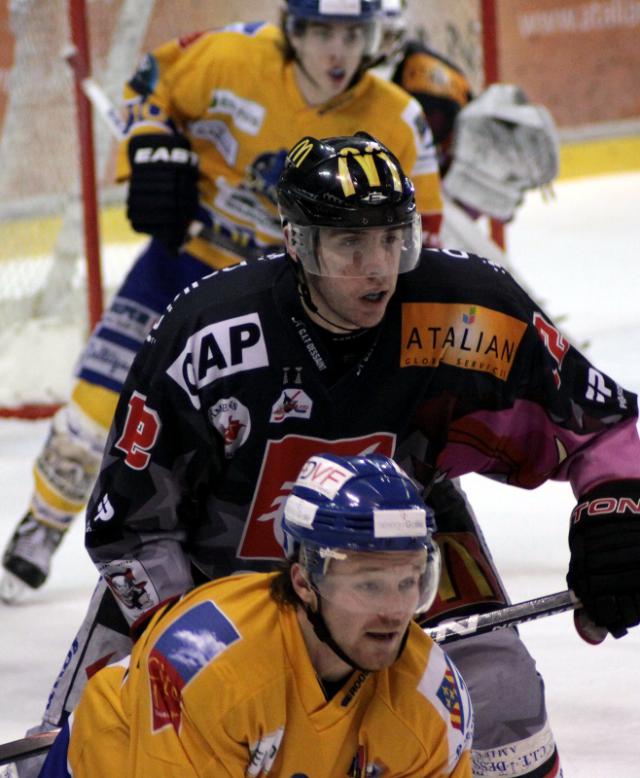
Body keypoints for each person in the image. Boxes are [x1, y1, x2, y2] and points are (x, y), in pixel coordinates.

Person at [31, 132, 640, 778]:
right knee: (82, 747)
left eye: (391, 238)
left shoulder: (463, 312)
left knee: (502, 700)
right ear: (296, 241)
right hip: (220, 575)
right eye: (351, 243)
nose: (378, 266)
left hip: (400, 548)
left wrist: (617, 512)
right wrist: (193, 642)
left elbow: (602, 424)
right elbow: (128, 526)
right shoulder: (208, 335)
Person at [0, 0, 444, 603]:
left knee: (243, 442)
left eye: (350, 33)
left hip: (281, 298)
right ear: (294, 28)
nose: (335, 52)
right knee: (94, 409)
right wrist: (154, 143)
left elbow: (424, 232)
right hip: (179, 268)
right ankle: (42, 524)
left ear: (374, 36)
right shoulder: (229, 57)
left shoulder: (396, 120)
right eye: (320, 32)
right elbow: (147, 86)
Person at [39, 452, 473, 777]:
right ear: (304, 583)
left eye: (409, 581)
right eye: (369, 584)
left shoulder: (429, 697)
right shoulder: (207, 663)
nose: (395, 611)